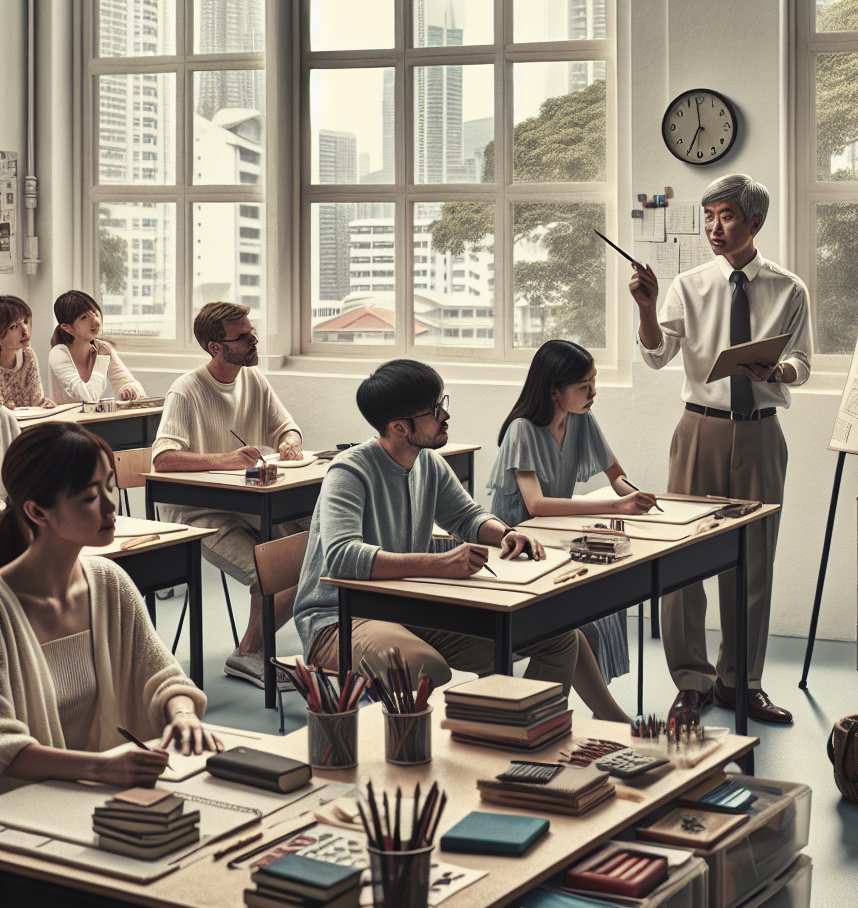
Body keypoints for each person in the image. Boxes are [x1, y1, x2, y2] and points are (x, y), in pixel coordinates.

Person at [293, 358, 599, 710]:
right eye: (435, 410)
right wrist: (439, 564)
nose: (445, 415)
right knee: (427, 668)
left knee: (556, 638)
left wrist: (505, 534)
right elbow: (343, 557)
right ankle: (484, 734)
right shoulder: (349, 471)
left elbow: (468, 517)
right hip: (339, 619)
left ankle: (520, 733)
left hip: (408, 606)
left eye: (442, 403)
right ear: (400, 427)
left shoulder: (428, 462)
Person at [630, 174, 812, 725]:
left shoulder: (789, 290)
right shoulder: (688, 285)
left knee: (754, 562)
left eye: (727, 216)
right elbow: (658, 356)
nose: (715, 227)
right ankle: (691, 679)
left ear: (755, 222)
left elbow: (802, 364)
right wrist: (646, 306)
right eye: (708, 217)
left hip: (759, 432)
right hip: (699, 429)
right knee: (684, 557)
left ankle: (741, 682)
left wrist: (777, 368)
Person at [0, 423, 221, 794]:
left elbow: (164, 677)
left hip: (105, 798)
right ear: (38, 512)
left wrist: (182, 714)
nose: (110, 505)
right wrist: (101, 769)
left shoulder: (108, 581)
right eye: (89, 497)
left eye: (109, 485)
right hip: (23, 814)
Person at [488, 338, 660, 723]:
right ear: (554, 390)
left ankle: (595, 715)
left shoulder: (582, 418)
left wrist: (641, 498)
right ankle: (586, 716)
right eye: (584, 386)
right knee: (585, 616)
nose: (593, 393)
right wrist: (616, 506)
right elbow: (536, 506)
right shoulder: (522, 429)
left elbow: (617, 477)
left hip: (557, 541)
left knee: (607, 602)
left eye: (594, 382)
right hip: (520, 547)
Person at [151, 302, 307, 688]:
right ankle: (250, 653)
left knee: (317, 549)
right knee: (278, 570)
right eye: (243, 336)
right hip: (198, 513)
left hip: (249, 505)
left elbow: (288, 428)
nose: (253, 340)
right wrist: (228, 460)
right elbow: (163, 458)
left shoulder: (254, 380)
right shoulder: (186, 390)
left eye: (251, 331)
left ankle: (256, 650)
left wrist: (289, 442)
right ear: (215, 347)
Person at [47, 290, 146, 405]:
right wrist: (100, 362)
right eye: (84, 318)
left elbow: (126, 381)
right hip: (66, 421)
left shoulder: (103, 348)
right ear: (67, 328)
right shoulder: (58, 353)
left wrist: (128, 389)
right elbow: (89, 397)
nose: (95, 321)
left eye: (94, 312)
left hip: (94, 418)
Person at [0, 296, 55, 409]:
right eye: (14, 327)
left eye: (25, 322)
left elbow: (37, 402)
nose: (25, 331)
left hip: (28, 424)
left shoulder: (28, 355)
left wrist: (44, 405)